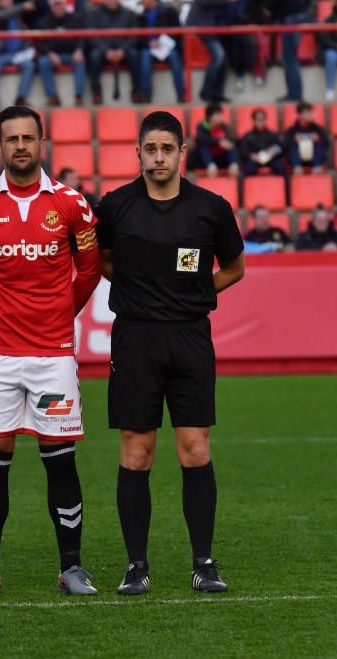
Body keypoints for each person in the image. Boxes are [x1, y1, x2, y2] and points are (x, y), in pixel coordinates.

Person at [94, 111, 245, 596]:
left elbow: (235, 267)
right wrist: (142, 291)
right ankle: (136, 565)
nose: (158, 157)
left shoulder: (211, 208)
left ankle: (203, 562)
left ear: (182, 152)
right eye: (150, 149)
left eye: (167, 149)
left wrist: (197, 293)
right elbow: (103, 260)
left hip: (189, 339)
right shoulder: (114, 207)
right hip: (135, 338)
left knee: (195, 450)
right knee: (136, 454)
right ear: (137, 152)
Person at [0, 105, 101, 597]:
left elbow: (89, 269)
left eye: (28, 138)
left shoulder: (72, 203)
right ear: (0, 146)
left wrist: (61, 314)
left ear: (43, 143)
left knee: (59, 458)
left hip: (53, 355)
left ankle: (72, 568)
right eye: (11, 139)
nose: (21, 146)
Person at [0, 0, 38, 108]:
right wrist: (23, 6)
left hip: (18, 55)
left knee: (29, 65)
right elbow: (2, 15)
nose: (10, 1)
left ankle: (21, 98)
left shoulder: (17, 16)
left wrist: (27, 49)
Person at [35, 0, 87, 107]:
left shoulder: (75, 18)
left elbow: (83, 38)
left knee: (80, 60)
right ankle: (53, 97)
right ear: (51, 7)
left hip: (72, 54)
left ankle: (79, 96)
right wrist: (49, 53)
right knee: (43, 62)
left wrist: (79, 50)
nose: (58, 7)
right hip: (53, 55)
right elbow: (40, 43)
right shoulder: (45, 21)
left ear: (65, 6)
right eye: (55, 5)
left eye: (60, 4)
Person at [88, 0, 141, 104]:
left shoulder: (129, 13)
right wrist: (106, 51)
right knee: (93, 57)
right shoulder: (95, 13)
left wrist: (122, 50)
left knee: (135, 55)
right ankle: (96, 94)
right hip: (103, 51)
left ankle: (136, 92)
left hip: (124, 50)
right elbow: (92, 36)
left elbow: (134, 36)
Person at [136, 0, 186, 103]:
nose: (142, 2)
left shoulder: (169, 11)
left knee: (175, 56)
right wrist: (149, 43)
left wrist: (162, 42)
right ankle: (146, 95)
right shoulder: (140, 16)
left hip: (168, 47)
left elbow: (177, 33)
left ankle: (181, 95)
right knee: (145, 55)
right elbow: (138, 37)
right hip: (149, 48)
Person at [186, 0, 230, 103]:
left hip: (211, 30)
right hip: (201, 29)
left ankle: (217, 94)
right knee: (219, 56)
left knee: (224, 60)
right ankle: (206, 92)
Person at [271, 0, 311, 102]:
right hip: (298, 15)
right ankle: (294, 92)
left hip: (290, 17)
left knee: (289, 58)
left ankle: (295, 94)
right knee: (289, 57)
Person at [193, 103, 240, 176]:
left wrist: (227, 143)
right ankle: (211, 166)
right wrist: (219, 142)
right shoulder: (202, 126)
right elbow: (199, 139)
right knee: (203, 147)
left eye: (221, 115)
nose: (221, 117)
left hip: (221, 159)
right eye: (218, 115)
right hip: (207, 160)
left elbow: (231, 140)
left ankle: (233, 166)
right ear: (210, 117)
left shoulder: (224, 127)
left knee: (232, 147)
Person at [284, 101, 329, 174]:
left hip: (314, 159)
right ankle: (297, 168)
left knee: (318, 145)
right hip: (298, 160)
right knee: (292, 147)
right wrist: (294, 140)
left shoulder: (317, 129)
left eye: (311, 112)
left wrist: (318, 139)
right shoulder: (292, 130)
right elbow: (285, 145)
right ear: (300, 115)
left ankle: (317, 167)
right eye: (307, 113)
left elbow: (327, 143)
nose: (311, 115)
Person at [239, 107, 285, 176]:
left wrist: (274, 151)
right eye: (258, 119)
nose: (260, 121)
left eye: (262, 119)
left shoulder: (272, 134)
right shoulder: (248, 135)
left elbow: (281, 146)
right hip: (255, 159)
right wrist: (251, 156)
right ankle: (250, 186)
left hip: (271, 158)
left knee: (280, 167)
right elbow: (243, 150)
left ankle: (283, 186)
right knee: (249, 168)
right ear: (253, 120)